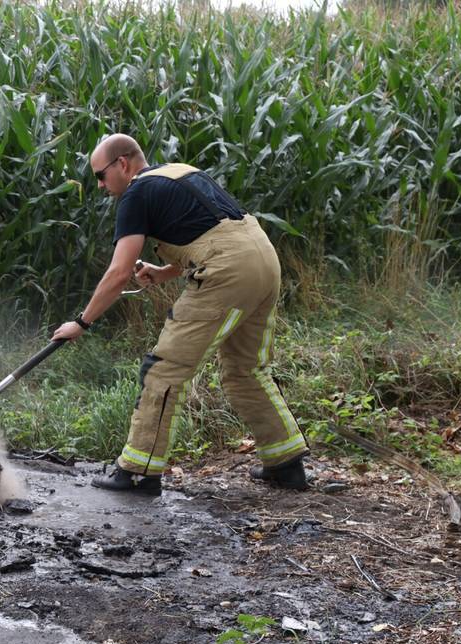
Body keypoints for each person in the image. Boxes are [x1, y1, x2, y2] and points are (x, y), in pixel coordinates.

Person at [51, 134, 309, 496]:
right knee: (246, 369)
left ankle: (139, 472)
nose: (100, 186)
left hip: (229, 271)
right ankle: (286, 464)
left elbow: (119, 272)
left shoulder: (136, 193)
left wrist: (81, 323)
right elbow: (210, 228)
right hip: (264, 260)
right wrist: (164, 271)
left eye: (100, 176)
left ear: (122, 164)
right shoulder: (179, 172)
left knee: (164, 370)